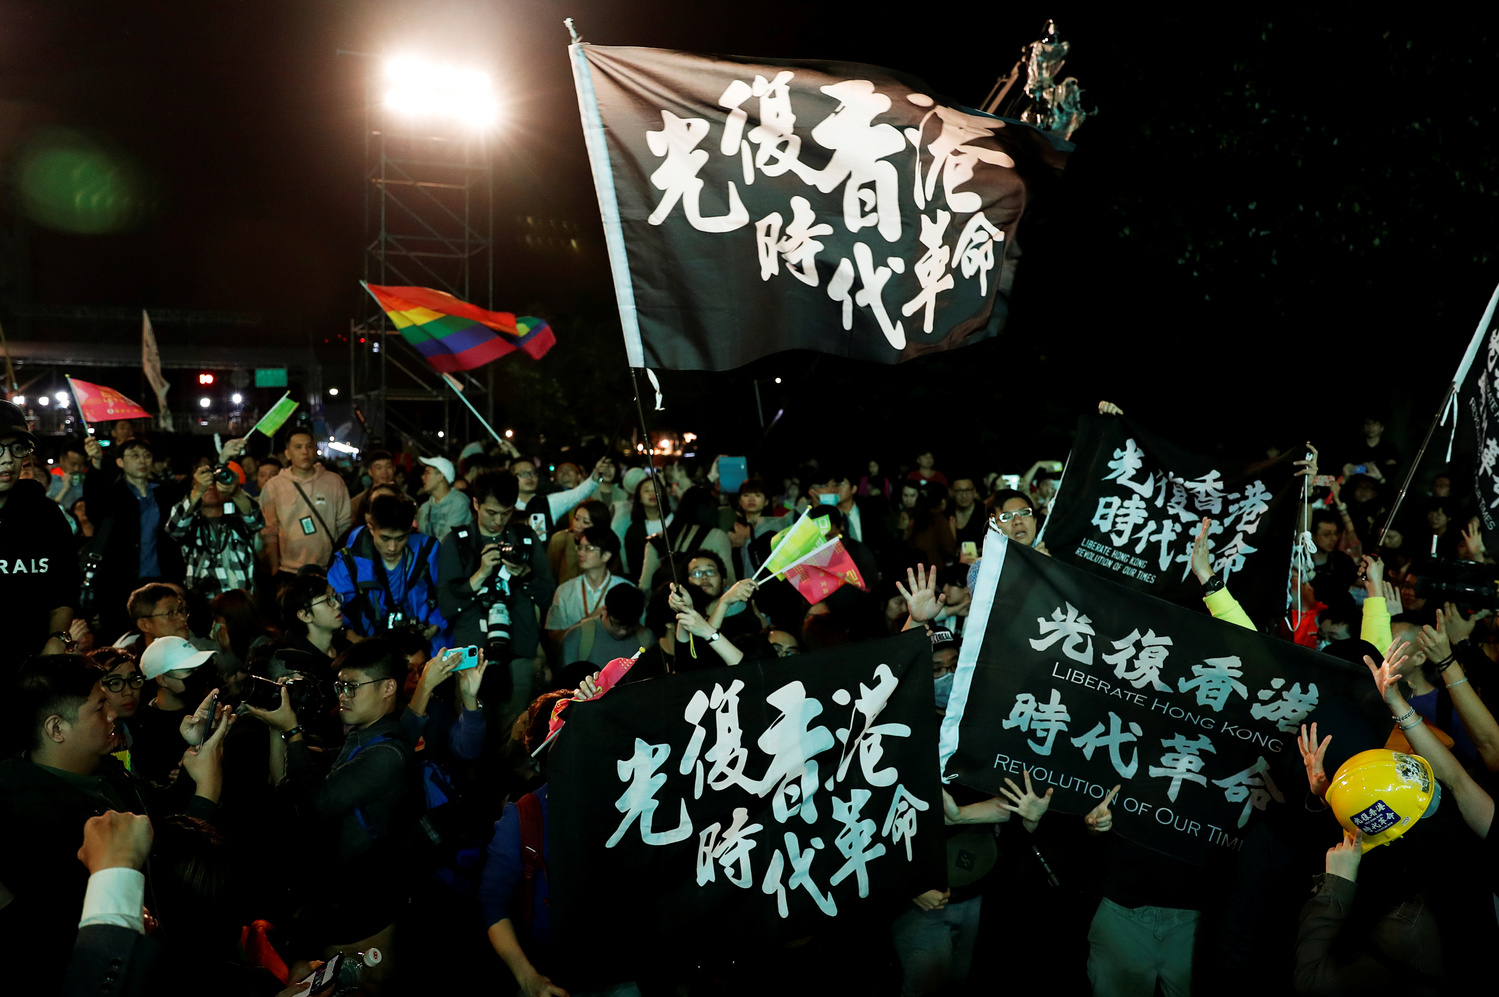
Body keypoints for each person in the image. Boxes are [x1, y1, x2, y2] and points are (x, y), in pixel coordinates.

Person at [0, 654, 226, 967]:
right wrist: (206, 797)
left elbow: (154, 815)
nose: (112, 713)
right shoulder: (31, 819)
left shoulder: (103, 767)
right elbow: (160, 888)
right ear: (56, 728)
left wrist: (193, 755)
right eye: (99, 706)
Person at [246, 639, 417, 955]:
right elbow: (286, 787)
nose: (342, 695)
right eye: (339, 686)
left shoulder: (387, 753)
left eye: (352, 687)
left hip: (365, 910)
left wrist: (293, 732)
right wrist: (279, 726)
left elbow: (317, 806)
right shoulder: (359, 737)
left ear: (388, 687)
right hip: (337, 900)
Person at [437, 470, 556, 724]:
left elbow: (548, 597)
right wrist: (479, 575)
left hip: (519, 650)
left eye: (507, 512)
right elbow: (446, 607)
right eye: (491, 512)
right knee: (470, 730)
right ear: (476, 504)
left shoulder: (525, 538)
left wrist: (524, 574)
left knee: (515, 730)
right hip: (471, 651)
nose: (498, 520)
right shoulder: (456, 542)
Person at [82, 435, 188, 640]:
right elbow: (93, 505)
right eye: (134, 455)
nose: (142, 460)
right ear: (120, 462)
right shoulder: (112, 493)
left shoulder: (164, 493)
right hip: (120, 583)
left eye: (147, 455)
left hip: (161, 581)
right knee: (122, 639)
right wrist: (95, 462)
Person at [0, 401, 79, 657]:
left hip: (36, 666)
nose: (8, 460)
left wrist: (57, 639)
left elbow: (64, 590)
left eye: (17, 448)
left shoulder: (46, 514)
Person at [328, 492, 447, 653]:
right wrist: (351, 636)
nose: (392, 547)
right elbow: (333, 606)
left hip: (422, 645)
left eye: (400, 538)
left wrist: (433, 628)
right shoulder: (349, 562)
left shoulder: (428, 551)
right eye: (385, 538)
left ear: (410, 530)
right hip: (370, 647)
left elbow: (446, 593)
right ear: (371, 528)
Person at [258, 427, 352, 583]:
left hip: (328, 568)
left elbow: (344, 524)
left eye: (309, 446)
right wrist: (275, 569)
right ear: (287, 453)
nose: (305, 452)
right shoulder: (274, 486)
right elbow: (270, 531)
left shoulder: (334, 482)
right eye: (298, 447)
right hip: (288, 570)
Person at [166, 455, 264, 599]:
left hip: (242, 601)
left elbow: (257, 521)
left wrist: (235, 492)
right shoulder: (190, 520)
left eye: (215, 483)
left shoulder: (238, 515)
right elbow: (174, 528)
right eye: (205, 484)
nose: (210, 487)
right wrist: (197, 491)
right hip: (204, 603)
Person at [547, 525, 631, 646]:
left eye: (589, 548)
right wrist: (589, 621)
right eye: (580, 547)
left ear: (606, 555)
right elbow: (554, 639)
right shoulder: (565, 591)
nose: (581, 553)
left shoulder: (626, 591)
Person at [512, 454, 613, 543]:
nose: (529, 477)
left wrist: (595, 475)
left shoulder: (550, 502)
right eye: (523, 474)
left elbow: (578, 494)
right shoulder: (505, 505)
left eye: (533, 473)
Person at [559, 583, 651, 669]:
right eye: (617, 625)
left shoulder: (646, 638)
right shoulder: (578, 636)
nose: (623, 632)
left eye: (629, 626)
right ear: (604, 610)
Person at [280, 571, 350, 661]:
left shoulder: (345, 649)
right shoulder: (299, 662)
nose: (337, 604)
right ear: (304, 615)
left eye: (335, 596)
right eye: (327, 600)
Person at [415, 455, 472, 543]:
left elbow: (449, 540)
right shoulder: (424, 508)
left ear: (441, 476)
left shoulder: (459, 503)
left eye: (427, 472)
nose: (423, 477)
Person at [350, 448, 395, 523]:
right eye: (379, 468)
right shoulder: (358, 502)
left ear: (394, 469)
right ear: (370, 471)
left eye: (388, 467)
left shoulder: (404, 499)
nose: (384, 472)